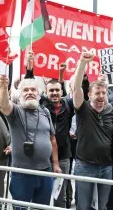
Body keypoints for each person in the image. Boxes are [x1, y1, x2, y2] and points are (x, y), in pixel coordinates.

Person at [0, 75, 61, 208]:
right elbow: (4, 105)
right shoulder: (16, 111)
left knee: (42, 207)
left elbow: (52, 138)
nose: (30, 92)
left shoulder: (45, 112)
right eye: (26, 90)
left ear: (39, 94)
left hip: (45, 171)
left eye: (33, 90)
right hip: (22, 173)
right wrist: (4, 87)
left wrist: (55, 164)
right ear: (20, 94)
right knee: (20, 207)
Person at [72, 52, 113, 210]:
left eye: (103, 93)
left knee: (102, 207)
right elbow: (76, 88)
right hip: (85, 166)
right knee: (84, 206)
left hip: (107, 167)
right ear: (89, 95)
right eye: (97, 93)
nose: (101, 96)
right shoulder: (83, 108)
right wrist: (82, 63)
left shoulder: (111, 111)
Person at [44, 78, 74, 208]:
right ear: (46, 92)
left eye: (57, 90)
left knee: (60, 194)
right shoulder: (41, 105)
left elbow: (81, 94)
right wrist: (30, 67)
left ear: (62, 91)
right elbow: (29, 83)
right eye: (51, 90)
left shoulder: (69, 104)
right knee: (43, 192)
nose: (54, 93)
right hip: (43, 157)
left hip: (63, 156)